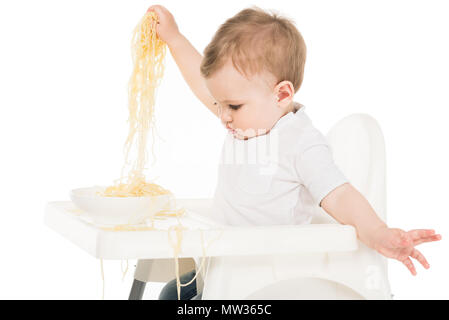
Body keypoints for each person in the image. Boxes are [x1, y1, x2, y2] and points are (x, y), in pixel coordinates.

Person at [146, 4, 442, 300]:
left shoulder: (301, 143)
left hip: (269, 276)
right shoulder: (249, 116)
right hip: (227, 262)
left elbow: (339, 194)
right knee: (172, 293)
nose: (222, 115)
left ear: (282, 94)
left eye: (232, 106)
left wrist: (378, 232)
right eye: (219, 104)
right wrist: (174, 38)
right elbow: (203, 84)